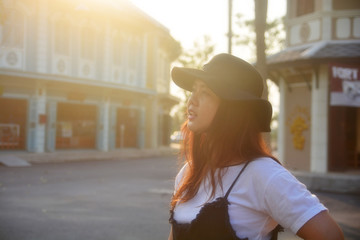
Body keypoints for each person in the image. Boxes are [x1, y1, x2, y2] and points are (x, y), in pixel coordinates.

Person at [168, 53, 344, 240]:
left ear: (233, 109)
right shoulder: (189, 173)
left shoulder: (264, 175)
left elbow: (330, 235)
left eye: (205, 92)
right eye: (193, 90)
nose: (191, 100)